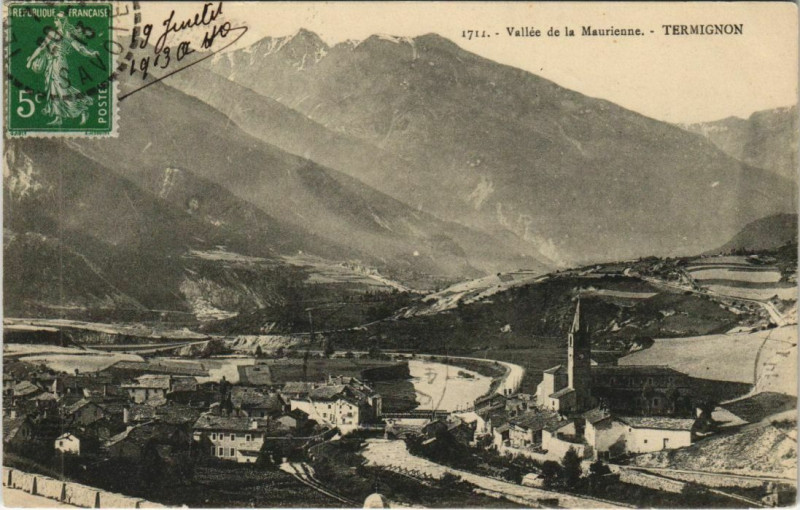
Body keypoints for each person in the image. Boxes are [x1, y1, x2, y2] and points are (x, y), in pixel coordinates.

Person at [25, 12, 99, 125]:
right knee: (53, 89)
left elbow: (80, 48)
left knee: (62, 89)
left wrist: (91, 53)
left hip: (60, 63)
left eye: (57, 18)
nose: (54, 20)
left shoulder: (68, 35)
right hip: (51, 63)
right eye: (54, 18)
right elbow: (41, 48)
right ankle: (58, 117)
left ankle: (81, 110)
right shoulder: (51, 33)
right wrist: (30, 60)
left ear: (62, 21)